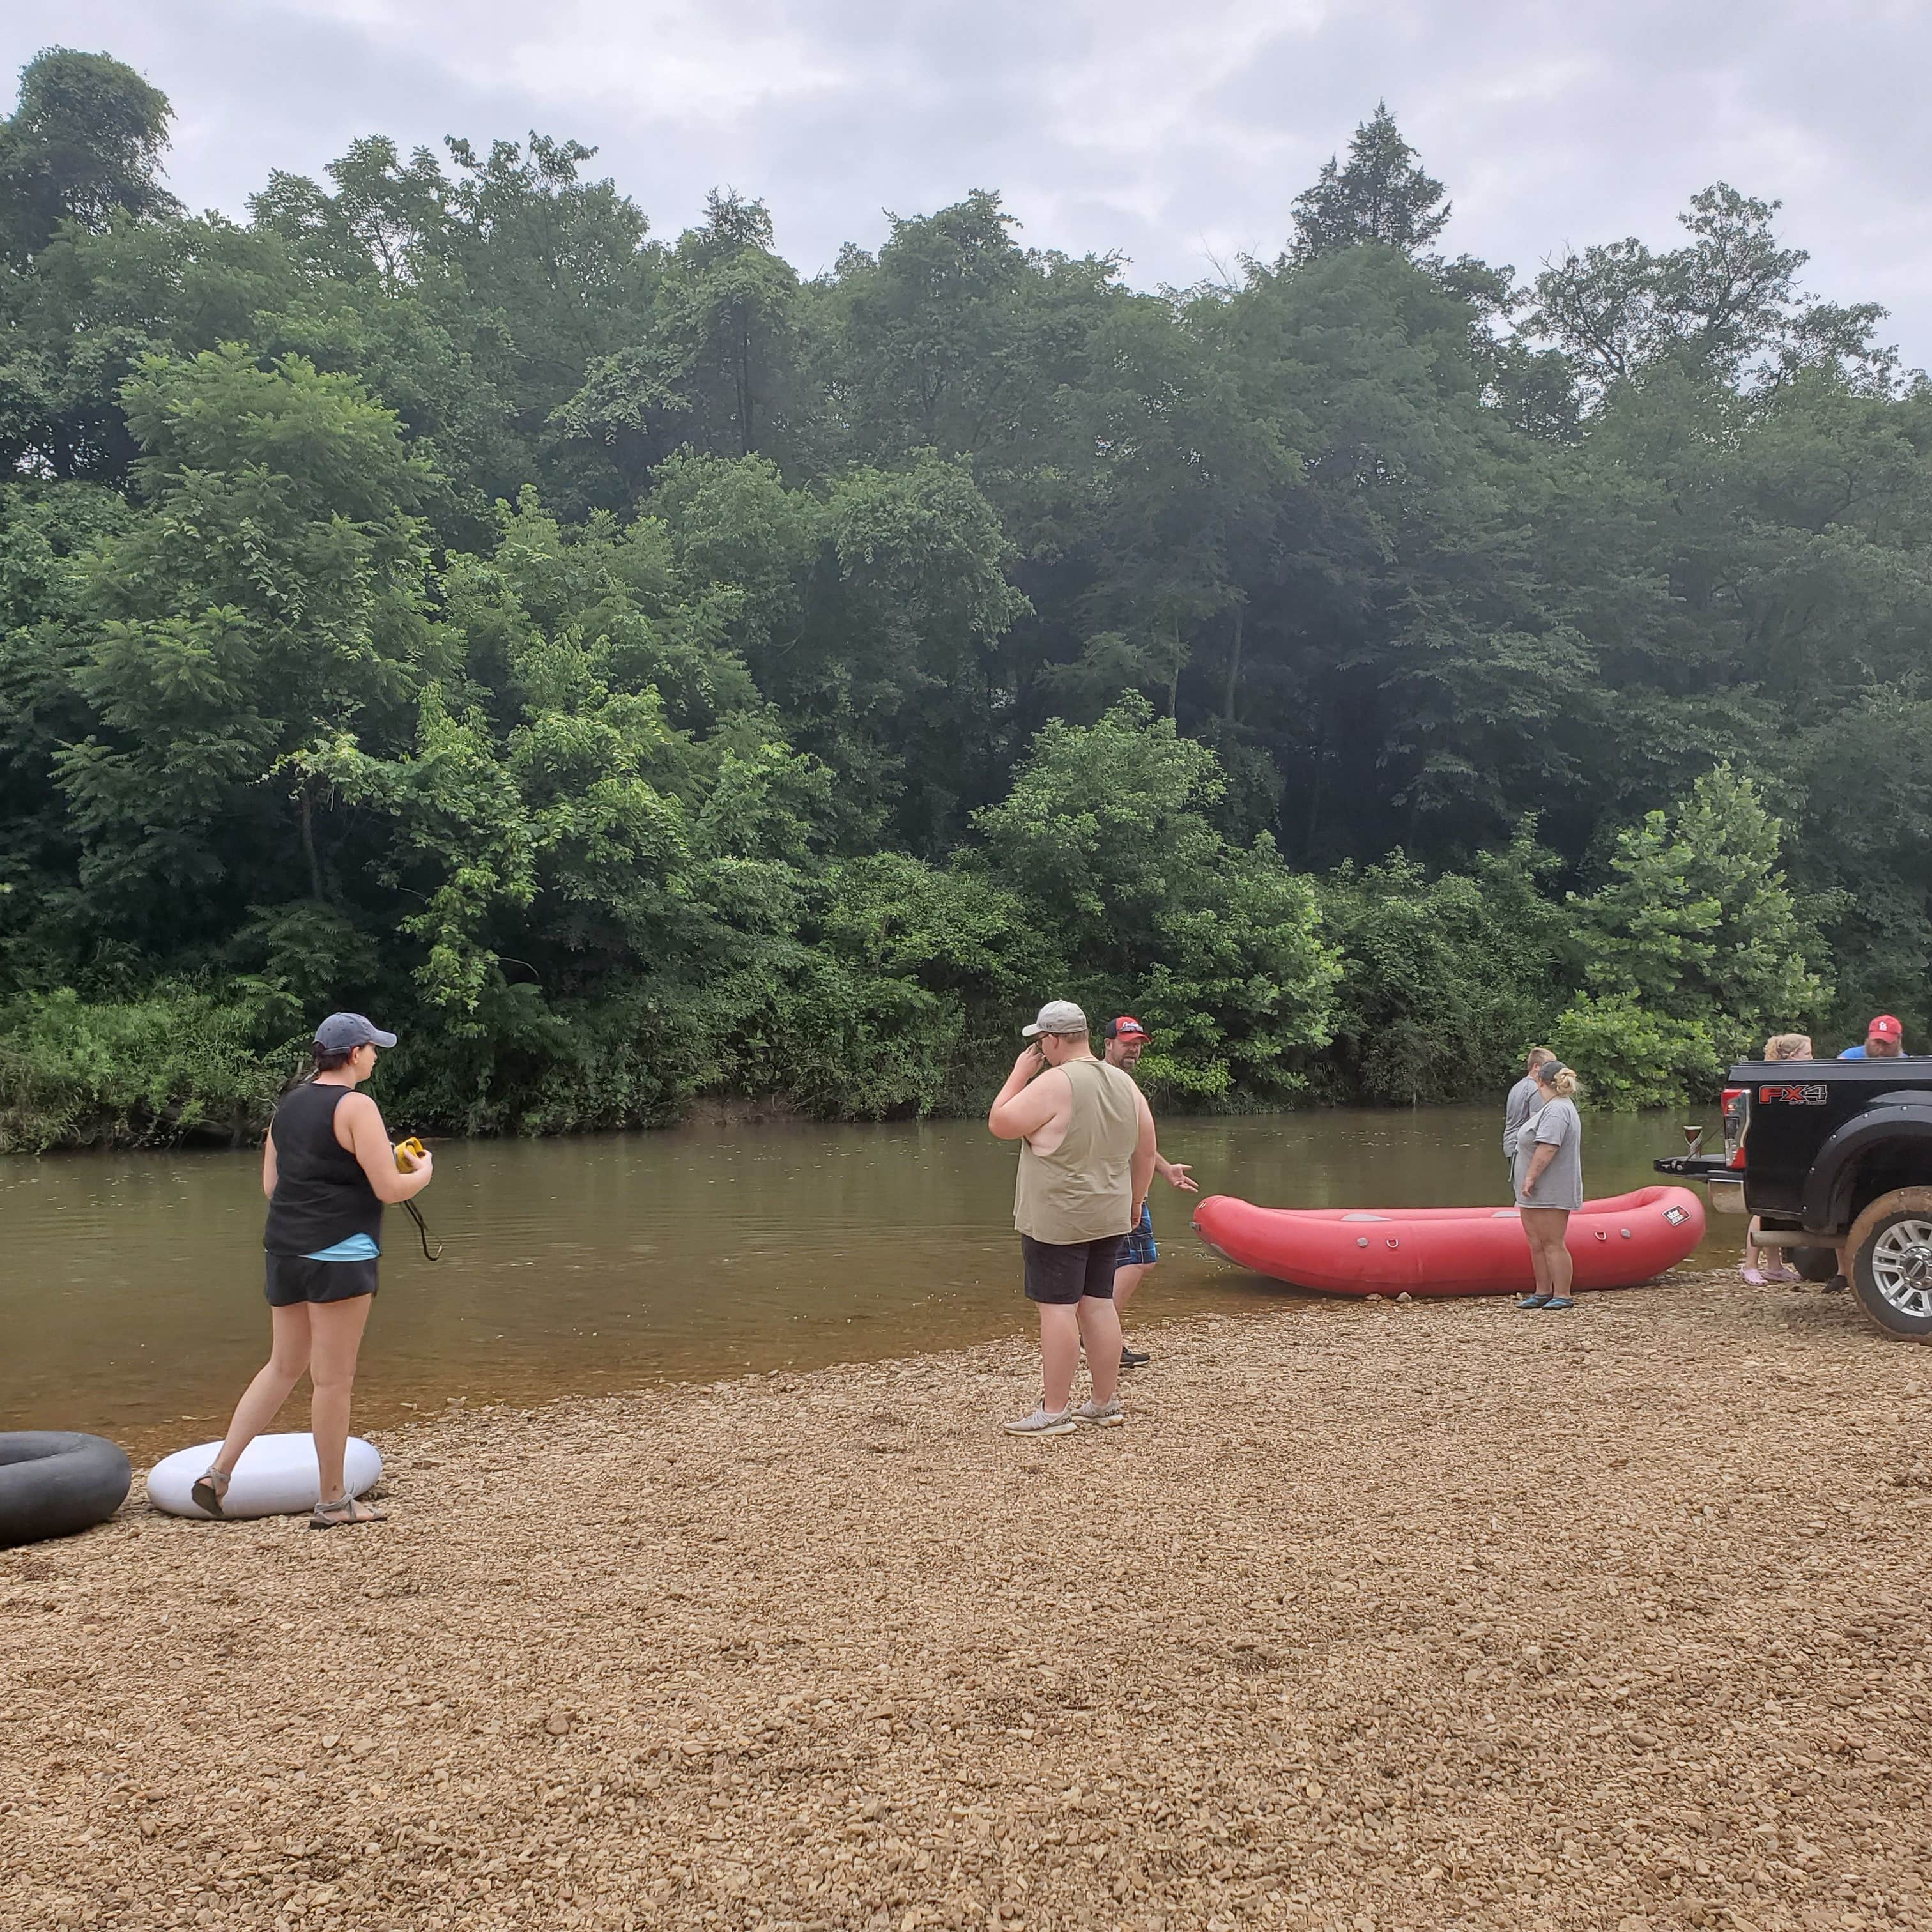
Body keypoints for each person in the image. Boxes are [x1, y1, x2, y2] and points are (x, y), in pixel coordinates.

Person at [192, 1013, 434, 1529]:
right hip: (340, 1256)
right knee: (333, 1382)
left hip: (284, 1252)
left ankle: (218, 1473)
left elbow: (275, 1188)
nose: (375, 1056)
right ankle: (332, 1502)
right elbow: (390, 1189)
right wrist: (424, 1172)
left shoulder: (288, 1107)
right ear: (353, 1054)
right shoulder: (357, 1105)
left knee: (283, 1366)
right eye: (373, 1048)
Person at [988, 1000, 1155, 1436]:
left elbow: (1000, 1122)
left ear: (1055, 1039)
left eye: (1041, 1040)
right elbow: (1146, 1149)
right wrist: (1137, 1201)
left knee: (1057, 1310)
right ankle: (1103, 1403)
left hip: (1059, 1217)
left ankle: (1054, 1411)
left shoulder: (1055, 1082)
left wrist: (1020, 1074)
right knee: (1097, 1304)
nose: (1040, 1048)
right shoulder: (1123, 1083)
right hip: (1110, 1214)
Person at [1101, 1015, 1199, 1368]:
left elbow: (1137, 1142)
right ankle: (1099, 1337)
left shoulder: (1108, 1080)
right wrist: (1137, 1197)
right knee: (1141, 1259)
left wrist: (1165, 1168)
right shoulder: (1114, 1084)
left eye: (1139, 1043)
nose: (1135, 1048)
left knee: (1112, 1264)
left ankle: (1098, 1336)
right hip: (1121, 1191)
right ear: (1108, 1043)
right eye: (1127, 1042)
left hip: (1111, 1189)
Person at [1513, 1059, 1584, 1312]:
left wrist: (1530, 1177)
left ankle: (1562, 1294)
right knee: (1536, 1242)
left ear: (1541, 1082)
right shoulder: (1552, 1107)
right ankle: (1542, 1291)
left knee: (1553, 1241)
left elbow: (1548, 1146)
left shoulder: (1557, 1110)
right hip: (1535, 1191)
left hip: (1551, 1187)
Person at [1743, 1034, 1813, 1285]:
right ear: (1793, 1056)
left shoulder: (1801, 1079)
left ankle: (1774, 1267)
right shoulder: (1775, 1078)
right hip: (1771, 1152)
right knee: (1762, 1211)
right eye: (1808, 1054)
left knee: (1777, 1211)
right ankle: (1750, 1265)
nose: (1812, 1058)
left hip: (1791, 1150)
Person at [1503, 1046, 1557, 1165]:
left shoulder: (1517, 1087)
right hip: (1522, 1148)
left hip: (1509, 1145)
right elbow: (1537, 1125)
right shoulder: (1536, 1090)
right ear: (1536, 1067)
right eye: (1548, 1067)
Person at [1839, 1015, 1905, 1059]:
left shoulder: (1907, 1066)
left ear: (1899, 1040)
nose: (1881, 1049)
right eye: (1877, 1043)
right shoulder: (1849, 1058)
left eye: (1886, 1044)